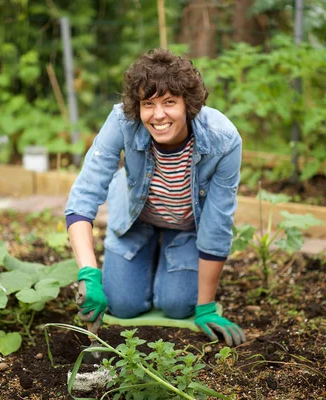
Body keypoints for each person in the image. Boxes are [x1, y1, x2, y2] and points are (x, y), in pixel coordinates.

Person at [65, 48, 246, 347]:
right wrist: (88, 273)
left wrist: (206, 307)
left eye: (169, 102)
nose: (158, 115)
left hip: (186, 227)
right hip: (134, 222)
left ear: (189, 104)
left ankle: (169, 251)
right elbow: (83, 196)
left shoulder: (223, 139)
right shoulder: (122, 121)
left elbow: (217, 222)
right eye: (148, 103)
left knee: (177, 306)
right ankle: (146, 251)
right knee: (122, 304)